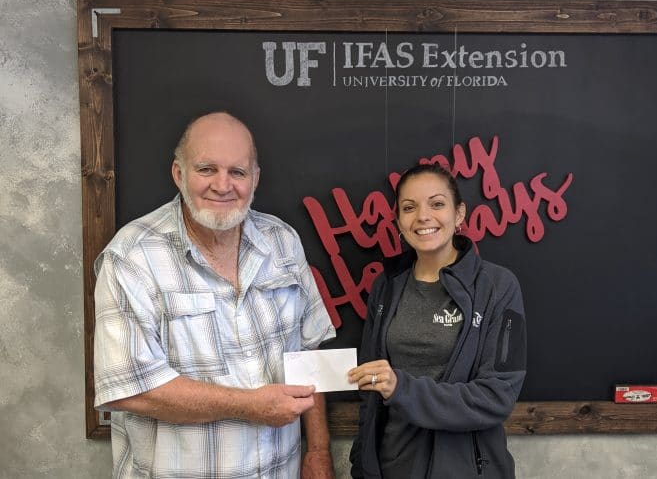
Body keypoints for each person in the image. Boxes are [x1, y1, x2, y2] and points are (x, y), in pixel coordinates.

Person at [93, 111, 336, 478]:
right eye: (206, 169)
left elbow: (309, 351)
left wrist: (318, 450)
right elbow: (131, 390)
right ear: (179, 173)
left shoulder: (282, 243)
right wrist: (249, 406)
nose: (223, 185)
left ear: (255, 179)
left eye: (237, 172)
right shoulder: (132, 257)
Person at [348, 163, 527, 478]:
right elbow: (370, 391)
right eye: (409, 207)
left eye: (437, 204)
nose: (423, 216)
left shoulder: (499, 287)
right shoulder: (386, 286)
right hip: (393, 464)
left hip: (467, 469)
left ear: (459, 214)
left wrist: (402, 388)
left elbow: (496, 397)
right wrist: (362, 466)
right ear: (399, 220)